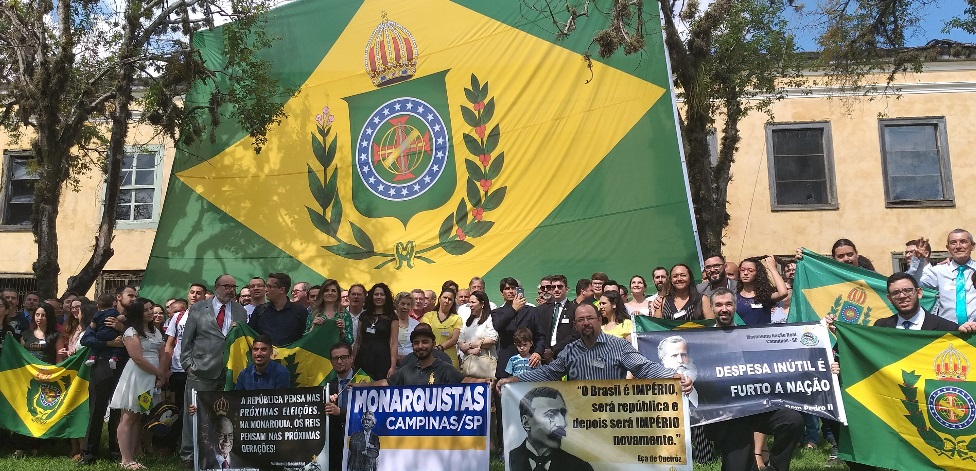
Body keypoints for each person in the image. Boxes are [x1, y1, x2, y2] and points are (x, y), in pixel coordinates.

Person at [496, 304, 693, 387]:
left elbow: (644, 367)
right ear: (575, 325)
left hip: (611, 416)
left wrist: (672, 375)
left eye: (590, 318)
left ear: (599, 319)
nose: (586, 323)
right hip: (580, 418)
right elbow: (549, 372)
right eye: (581, 320)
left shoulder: (618, 346)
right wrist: (516, 379)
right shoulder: (569, 351)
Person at [179, 274, 247, 469]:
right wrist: (187, 365)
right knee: (193, 413)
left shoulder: (241, 311)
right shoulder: (199, 308)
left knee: (225, 416)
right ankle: (188, 455)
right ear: (216, 287)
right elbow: (187, 340)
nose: (230, 290)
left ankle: (221, 456)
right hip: (200, 370)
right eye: (226, 286)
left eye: (233, 287)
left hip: (228, 372)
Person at [79, 285, 136, 465]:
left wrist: (123, 327)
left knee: (118, 412)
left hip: (125, 368)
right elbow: (86, 339)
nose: (134, 298)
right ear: (118, 297)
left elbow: (143, 343)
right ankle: (89, 455)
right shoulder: (103, 316)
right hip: (102, 366)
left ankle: (116, 452)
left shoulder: (134, 320)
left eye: (136, 295)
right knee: (97, 410)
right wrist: (109, 343)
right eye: (130, 295)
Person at [109, 300, 166, 471]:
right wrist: (159, 373)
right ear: (137, 313)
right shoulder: (131, 332)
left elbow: (162, 353)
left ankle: (132, 456)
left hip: (152, 376)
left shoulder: (155, 330)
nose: (150, 312)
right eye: (146, 310)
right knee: (128, 417)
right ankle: (125, 459)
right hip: (138, 376)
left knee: (138, 416)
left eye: (151, 309)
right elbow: (138, 358)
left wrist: (160, 374)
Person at [508, 387, 594, 471]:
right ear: (526, 423)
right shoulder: (508, 460)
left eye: (562, 414)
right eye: (551, 415)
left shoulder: (581, 467)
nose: (562, 423)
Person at [919, 229, 976, 325]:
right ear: (948, 248)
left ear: (973, 246)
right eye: (953, 243)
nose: (958, 246)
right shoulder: (939, 271)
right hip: (947, 332)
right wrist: (919, 261)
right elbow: (915, 284)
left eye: (963, 242)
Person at [493, 278, 544, 380]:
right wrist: (513, 309)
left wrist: (538, 352)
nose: (511, 291)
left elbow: (540, 335)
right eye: (507, 289)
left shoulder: (532, 311)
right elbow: (499, 326)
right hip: (506, 365)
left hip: (530, 364)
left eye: (513, 288)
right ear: (502, 293)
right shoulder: (497, 312)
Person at [249, 272, 309, 345]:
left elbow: (307, 337)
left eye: (270, 286)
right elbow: (249, 333)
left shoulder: (299, 311)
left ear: (282, 290)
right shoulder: (260, 310)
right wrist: (238, 326)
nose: (266, 290)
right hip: (266, 355)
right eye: (266, 286)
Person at [354, 283, 398, 380]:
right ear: (371, 296)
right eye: (376, 294)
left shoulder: (392, 317)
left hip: (382, 358)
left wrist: (393, 366)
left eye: (382, 294)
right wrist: (353, 360)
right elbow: (358, 340)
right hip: (363, 357)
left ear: (386, 297)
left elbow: (394, 343)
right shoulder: (364, 316)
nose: (379, 297)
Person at [325, 342, 356, 471]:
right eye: (335, 358)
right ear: (331, 361)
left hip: (357, 444)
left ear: (351, 358)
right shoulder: (328, 386)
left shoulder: (364, 381)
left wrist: (341, 412)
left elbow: (370, 413)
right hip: (336, 445)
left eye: (343, 357)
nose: (339, 361)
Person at [736, 256, 789, 326]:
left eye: (750, 270)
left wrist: (773, 269)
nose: (745, 273)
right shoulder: (734, 297)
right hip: (740, 336)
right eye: (742, 270)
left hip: (762, 336)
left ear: (758, 273)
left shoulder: (764, 296)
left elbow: (783, 293)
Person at [535, 274, 577, 362]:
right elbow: (540, 332)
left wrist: (554, 350)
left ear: (567, 289)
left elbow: (575, 334)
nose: (556, 290)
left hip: (567, 355)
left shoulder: (575, 309)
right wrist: (543, 350)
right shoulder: (543, 310)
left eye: (560, 286)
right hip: (545, 357)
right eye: (553, 287)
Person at [458, 290, 498, 379]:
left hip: (486, 367)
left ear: (482, 304)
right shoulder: (468, 322)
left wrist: (470, 345)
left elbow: (492, 339)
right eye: (469, 303)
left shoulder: (490, 319)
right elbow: (460, 340)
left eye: (473, 302)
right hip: (469, 366)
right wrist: (469, 351)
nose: (470, 305)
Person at [421, 289, 463, 368]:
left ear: (453, 303)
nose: (447, 301)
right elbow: (424, 334)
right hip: (430, 357)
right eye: (445, 297)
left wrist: (439, 348)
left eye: (450, 299)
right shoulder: (428, 316)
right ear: (439, 299)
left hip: (450, 359)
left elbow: (454, 339)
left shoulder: (457, 318)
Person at [308, 279, 352, 343]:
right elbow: (304, 339)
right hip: (317, 351)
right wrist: (313, 328)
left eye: (333, 291)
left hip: (337, 351)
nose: (330, 293)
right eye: (326, 290)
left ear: (338, 294)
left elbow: (350, 341)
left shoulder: (344, 314)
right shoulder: (314, 313)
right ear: (322, 294)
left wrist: (342, 331)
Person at [392, 292, 418, 366]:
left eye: (408, 304)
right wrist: (395, 357)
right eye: (402, 304)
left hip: (410, 363)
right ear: (397, 305)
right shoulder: (389, 321)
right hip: (391, 363)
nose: (405, 307)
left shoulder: (416, 324)